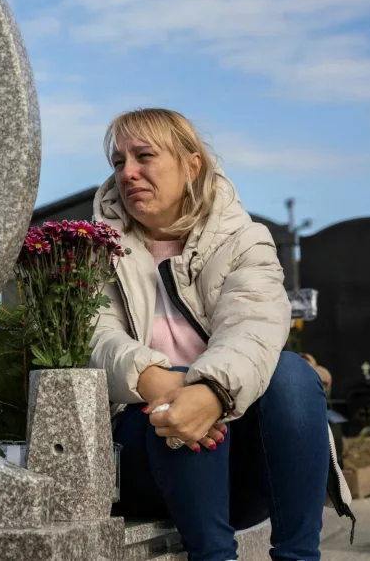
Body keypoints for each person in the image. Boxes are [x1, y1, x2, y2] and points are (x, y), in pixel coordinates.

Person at [88, 108, 354, 561]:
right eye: (118, 162)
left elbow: (253, 327)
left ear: (192, 165)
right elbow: (94, 337)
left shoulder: (245, 240)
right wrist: (161, 382)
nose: (127, 173)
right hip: (141, 457)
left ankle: (299, 556)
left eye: (144, 156)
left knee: (290, 376)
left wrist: (210, 393)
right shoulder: (95, 248)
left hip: (241, 466)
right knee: (171, 408)